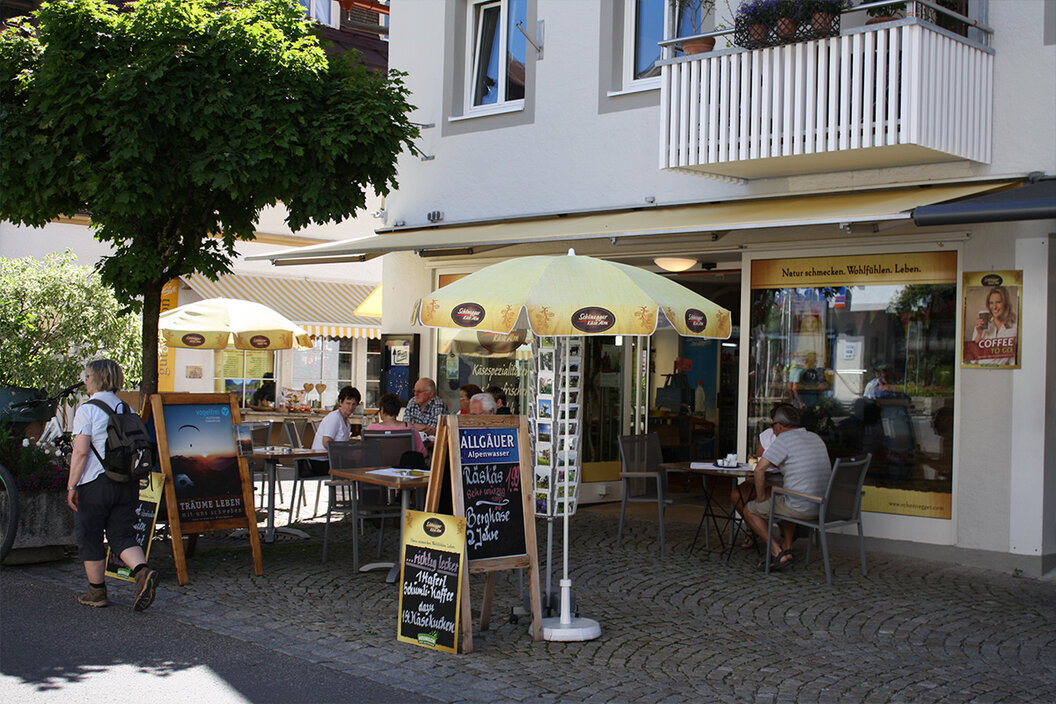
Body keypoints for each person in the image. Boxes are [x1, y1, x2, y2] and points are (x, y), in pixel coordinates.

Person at [67, 359, 158, 610]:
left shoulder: (87, 410)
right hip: (126, 482)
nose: (84, 380)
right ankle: (142, 572)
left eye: (86, 376)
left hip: (95, 484)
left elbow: (81, 452)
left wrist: (71, 485)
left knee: (90, 535)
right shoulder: (126, 409)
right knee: (121, 534)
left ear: (96, 379)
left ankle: (97, 593)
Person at [742, 403, 831, 571]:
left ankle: (778, 553)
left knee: (750, 510)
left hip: (801, 506)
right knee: (782, 498)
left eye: (772, 425)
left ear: (779, 425)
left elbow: (759, 469)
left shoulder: (784, 439)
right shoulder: (814, 437)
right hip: (822, 505)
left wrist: (760, 498)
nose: (772, 429)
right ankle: (787, 548)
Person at [731, 406, 779, 545]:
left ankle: (778, 541)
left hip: (780, 481)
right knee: (737, 495)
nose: (772, 425)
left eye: (774, 422)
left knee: (762, 500)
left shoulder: (789, 438)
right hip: (763, 478)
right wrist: (754, 458)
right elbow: (759, 459)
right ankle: (752, 529)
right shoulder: (767, 435)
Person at [309, 386, 360, 474]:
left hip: (332, 460)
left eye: (354, 404)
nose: (350, 407)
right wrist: (346, 454)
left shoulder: (346, 421)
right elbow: (326, 443)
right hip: (321, 462)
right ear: (340, 402)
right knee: (361, 465)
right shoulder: (334, 418)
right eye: (348, 403)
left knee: (362, 461)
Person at [971, 285, 1018, 366]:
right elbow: (972, 359)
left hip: (1001, 373)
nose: (994, 307)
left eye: (998, 302)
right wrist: (979, 334)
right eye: (991, 303)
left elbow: (1013, 362)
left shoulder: (1014, 327)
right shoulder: (982, 325)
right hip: (981, 372)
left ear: (1005, 304)